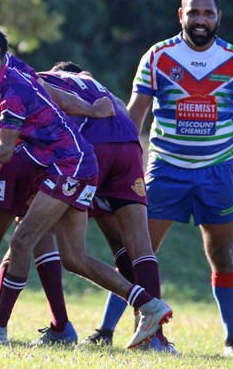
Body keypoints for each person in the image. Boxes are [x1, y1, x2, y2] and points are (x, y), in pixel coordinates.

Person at [0, 25, 172, 348]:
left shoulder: (11, 88)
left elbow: (6, 151)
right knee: (74, 257)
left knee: (22, 240)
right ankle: (149, 304)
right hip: (70, 164)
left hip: (71, 165)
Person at [118, 0, 233, 357]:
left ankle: (232, 341)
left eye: (208, 13)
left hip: (216, 172)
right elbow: (135, 112)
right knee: (139, 252)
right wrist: (123, 163)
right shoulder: (158, 55)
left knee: (222, 253)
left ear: (219, 17)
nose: (201, 20)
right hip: (165, 169)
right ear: (180, 15)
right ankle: (108, 329)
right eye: (194, 12)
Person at [41, 62, 172, 352]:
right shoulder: (96, 82)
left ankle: (48, 325)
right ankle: (156, 339)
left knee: (50, 242)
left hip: (89, 148)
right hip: (127, 142)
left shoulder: (44, 78)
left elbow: (49, 97)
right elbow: (123, 110)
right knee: (135, 243)